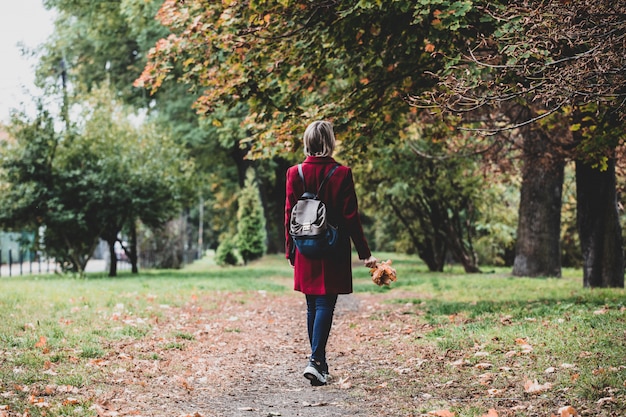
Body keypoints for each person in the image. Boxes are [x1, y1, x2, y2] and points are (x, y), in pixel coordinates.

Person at [284, 120, 377, 386]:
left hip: (304, 244)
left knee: (312, 303)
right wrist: (364, 253)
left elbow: (288, 213)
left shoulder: (294, 173)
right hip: (333, 245)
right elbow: (350, 217)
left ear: (308, 142)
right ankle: (315, 361)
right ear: (330, 141)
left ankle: (318, 362)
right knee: (325, 303)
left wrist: (290, 248)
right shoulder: (342, 173)